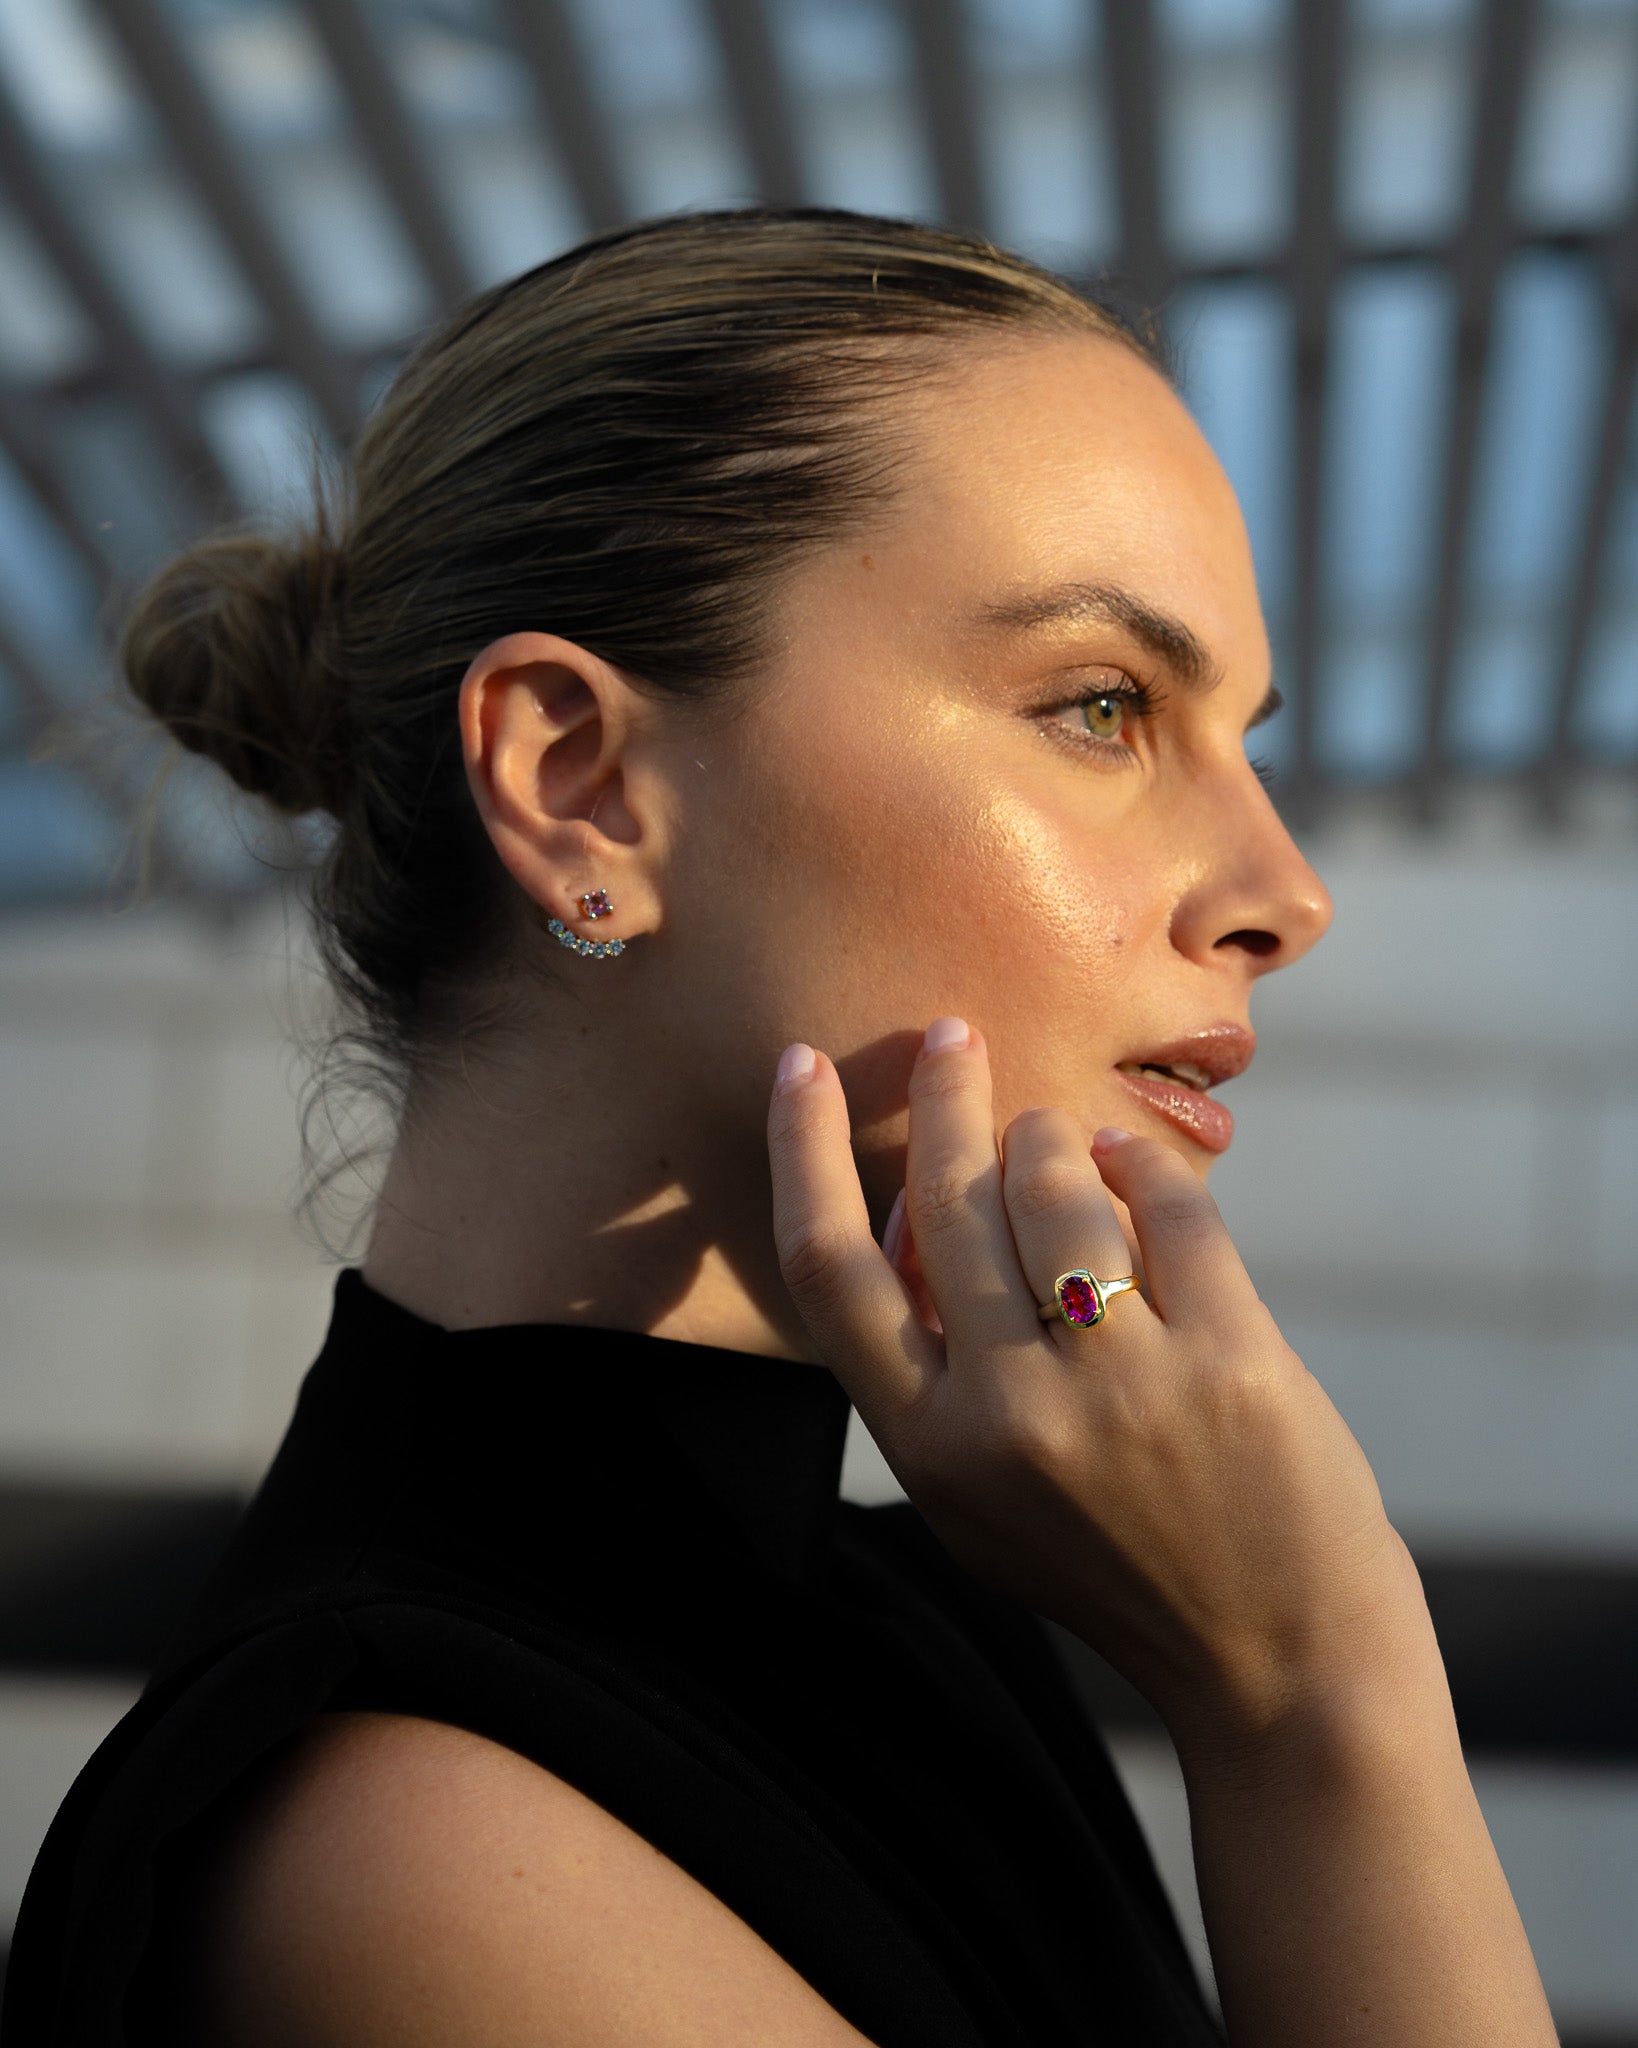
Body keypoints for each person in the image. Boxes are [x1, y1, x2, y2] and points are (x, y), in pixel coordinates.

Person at [3, 208, 1555, 2047]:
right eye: (1100, 707)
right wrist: (1314, 1705)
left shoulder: (912, 1604)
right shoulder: (421, 1845)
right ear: (581, 789)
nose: (1280, 890)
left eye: (1247, 738)